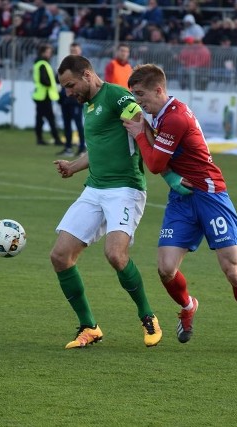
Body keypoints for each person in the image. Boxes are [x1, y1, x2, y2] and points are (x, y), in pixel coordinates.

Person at [122, 64, 237, 355]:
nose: (139, 101)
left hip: (210, 194)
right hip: (181, 199)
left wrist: (140, 133)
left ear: (159, 90)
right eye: (134, 95)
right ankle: (188, 306)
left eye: (141, 94)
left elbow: (154, 164)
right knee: (165, 269)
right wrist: (147, 133)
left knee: (233, 271)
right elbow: (159, 155)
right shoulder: (163, 114)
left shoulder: (175, 118)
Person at [51, 55, 162, 349]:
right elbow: (100, 149)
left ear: (87, 75)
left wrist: (158, 159)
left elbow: (144, 127)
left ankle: (148, 316)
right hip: (94, 189)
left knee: (115, 255)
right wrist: (74, 166)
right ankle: (89, 327)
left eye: (70, 84)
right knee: (60, 256)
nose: (68, 92)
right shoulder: (89, 106)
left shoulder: (117, 96)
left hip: (125, 189)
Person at [57, 43, 85, 157]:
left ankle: (82, 148)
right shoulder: (65, 64)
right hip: (65, 99)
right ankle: (68, 147)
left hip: (77, 100)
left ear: (80, 51)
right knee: (66, 124)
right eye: (72, 50)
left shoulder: (83, 66)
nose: (73, 52)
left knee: (79, 124)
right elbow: (58, 77)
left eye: (76, 50)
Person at [32, 43, 63, 146]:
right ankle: (56, 139)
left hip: (40, 95)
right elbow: (45, 80)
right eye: (48, 52)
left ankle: (39, 138)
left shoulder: (40, 63)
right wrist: (52, 83)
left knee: (40, 118)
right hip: (44, 95)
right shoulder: (42, 64)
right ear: (42, 52)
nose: (50, 54)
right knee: (50, 118)